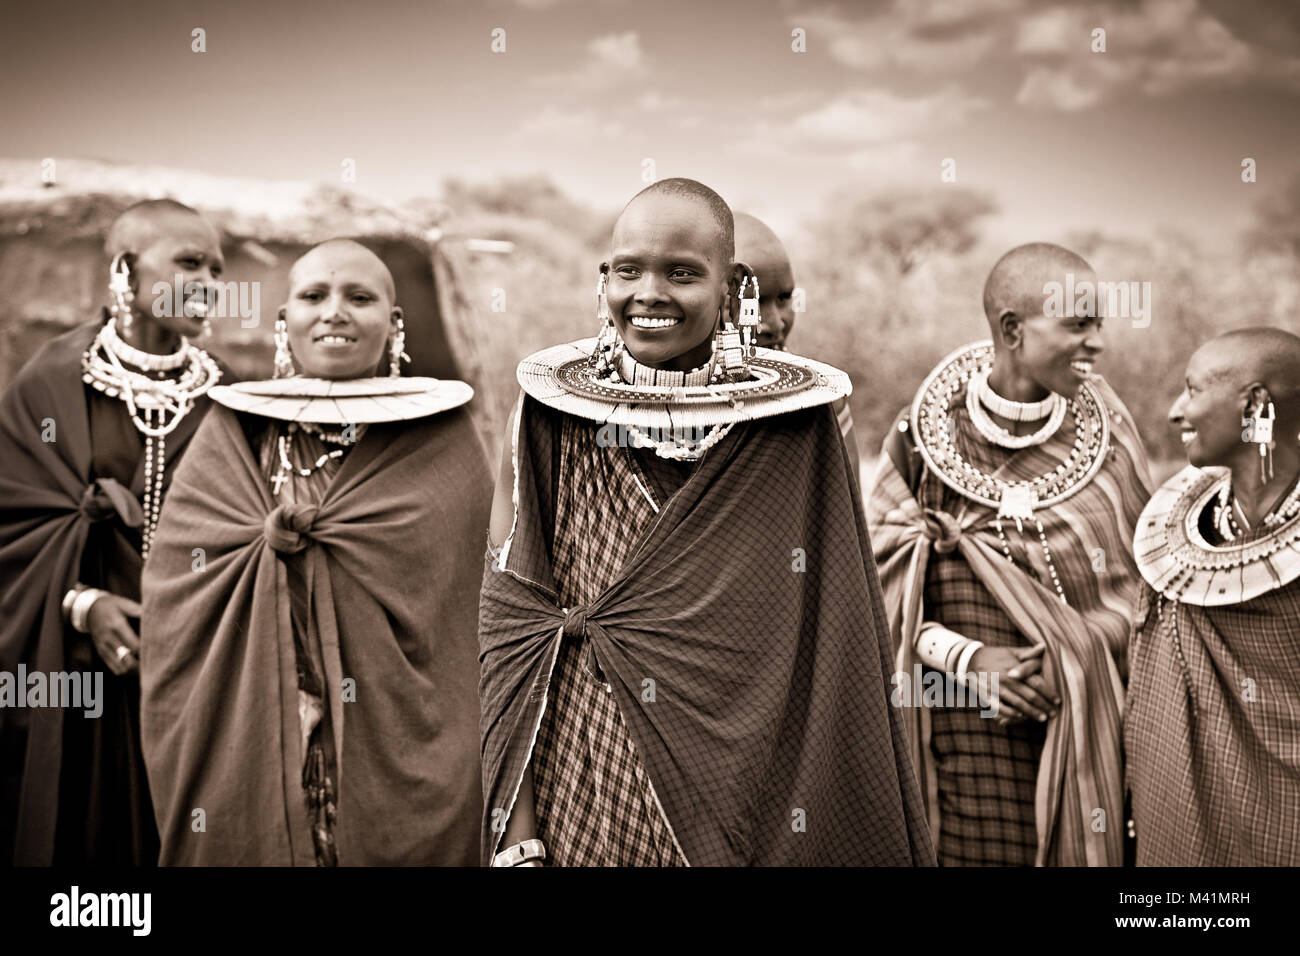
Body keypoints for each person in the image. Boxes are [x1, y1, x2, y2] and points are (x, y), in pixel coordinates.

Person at [478, 179, 934, 867]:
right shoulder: (549, 415)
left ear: (731, 287)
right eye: (627, 270)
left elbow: (832, 633)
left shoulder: (796, 428)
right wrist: (519, 838)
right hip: (585, 769)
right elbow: (512, 622)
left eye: (682, 273)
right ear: (603, 280)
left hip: (752, 789)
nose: (650, 293)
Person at [140, 239, 489, 865]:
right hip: (257, 731)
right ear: (284, 322)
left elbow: (468, 614)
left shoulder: (444, 441)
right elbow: (177, 597)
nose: (335, 312)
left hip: (402, 740)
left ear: (394, 322)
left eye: (360, 297)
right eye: (313, 296)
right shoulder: (235, 436)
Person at [868, 242, 1153, 866]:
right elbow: (874, 588)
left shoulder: (1111, 435)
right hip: (960, 726)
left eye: (1100, 324)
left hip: (1088, 716)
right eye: (1079, 325)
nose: (1098, 343)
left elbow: (1144, 588)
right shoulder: (922, 437)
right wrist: (969, 660)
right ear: (1012, 330)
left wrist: (1076, 654)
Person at [0, 199, 229, 866]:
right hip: (80, 679)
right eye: (189, 263)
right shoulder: (52, 382)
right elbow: (12, 528)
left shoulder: (229, 401)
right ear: (125, 270)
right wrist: (84, 603)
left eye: (218, 269)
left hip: (193, 677)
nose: (211, 284)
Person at [1127, 328, 1300, 866]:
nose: (1177, 411)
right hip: (1178, 817)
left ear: (1254, 404)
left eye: (1193, 390)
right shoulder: (1182, 521)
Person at [734, 212, 861, 491]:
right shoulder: (651, 406)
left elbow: (848, 519)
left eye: (783, 298)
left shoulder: (822, 403)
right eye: (750, 303)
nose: (776, 322)